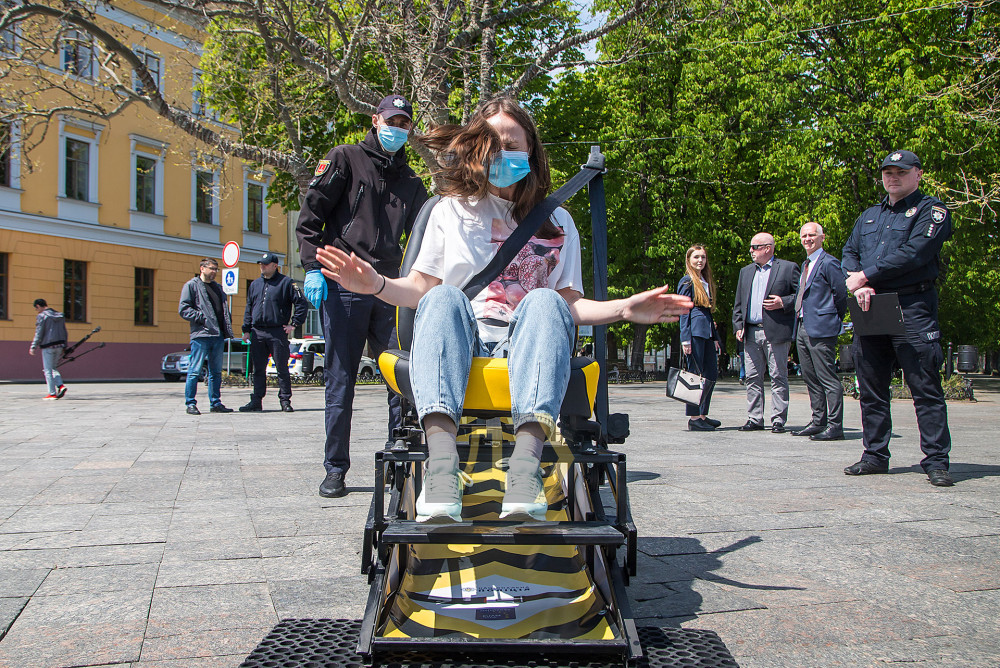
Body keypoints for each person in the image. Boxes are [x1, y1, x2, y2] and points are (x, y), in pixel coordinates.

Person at [315, 97, 692, 523]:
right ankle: (441, 471)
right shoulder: (449, 210)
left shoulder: (559, 222)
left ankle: (526, 472)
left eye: (512, 145)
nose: (502, 154)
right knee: (442, 297)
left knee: (546, 299)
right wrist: (377, 285)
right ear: (477, 148)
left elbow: (569, 304)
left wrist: (623, 309)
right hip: (462, 339)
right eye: (493, 145)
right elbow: (421, 288)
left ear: (531, 150)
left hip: (528, 343)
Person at [296, 94, 430, 498]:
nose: (397, 129)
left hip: (388, 288)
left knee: (400, 379)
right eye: (392, 121)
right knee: (340, 381)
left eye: (404, 123)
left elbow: (425, 238)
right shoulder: (345, 159)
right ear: (376, 120)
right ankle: (335, 467)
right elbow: (311, 217)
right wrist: (313, 266)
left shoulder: (412, 183)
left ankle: (398, 460)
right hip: (345, 286)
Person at [841, 150, 954, 486]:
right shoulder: (869, 216)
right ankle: (875, 455)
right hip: (871, 306)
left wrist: (866, 276)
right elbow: (849, 252)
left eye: (901, 172)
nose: (893, 177)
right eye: (888, 172)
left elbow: (915, 254)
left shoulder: (932, 211)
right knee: (871, 387)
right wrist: (860, 283)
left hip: (912, 305)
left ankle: (936, 460)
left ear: (918, 174)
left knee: (924, 387)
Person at [732, 233, 801, 433]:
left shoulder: (788, 268)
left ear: (768, 248)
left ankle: (778, 419)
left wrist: (783, 302)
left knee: (778, 376)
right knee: (752, 377)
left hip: (776, 331)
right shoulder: (745, 272)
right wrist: (738, 325)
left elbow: (801, 295)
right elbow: (738, 303)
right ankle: (755, 418)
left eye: (754, 247)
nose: (751, 251)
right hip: (751, 332)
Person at [792, 222, 848, 440]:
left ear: (822, 237)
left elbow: (840, 294)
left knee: (827, 378)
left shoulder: (829, 263)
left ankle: (835, 425)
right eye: (804, 236)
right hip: (802, 326)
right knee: (810, 377)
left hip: (821, 328)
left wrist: (831, 318)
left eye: (812, 235)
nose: (807, 239)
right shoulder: (806, 264)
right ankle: (818, 421)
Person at [239, 252, 309, 412]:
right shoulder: (255, 284)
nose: (262, 267)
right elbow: (249, 307)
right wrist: (246, 330)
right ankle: (256, 400)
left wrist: (294, 324)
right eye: (261, 264)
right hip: (257, 332)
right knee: (258, 369)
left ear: (275, 266)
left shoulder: (286, 283)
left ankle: (285, 400)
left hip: (277, 332)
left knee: (281, 368)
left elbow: (301, 303)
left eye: (265, 264)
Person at [178, 258, 235, 415]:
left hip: (218, 335)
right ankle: (190, 403)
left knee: (215, 372)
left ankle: (215, 403)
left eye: (216, 269)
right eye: (212, 268)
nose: (214, 272)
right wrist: (201, 317)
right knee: (195, 370)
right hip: (201, 335)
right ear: (202, 268)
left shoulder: (218, 288)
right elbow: (183, 309)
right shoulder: (191, 285)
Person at [677, 245, 721, 431]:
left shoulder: (704, 280)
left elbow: (708, 312)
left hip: (707, 332)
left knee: (711, 374)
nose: (700, 260)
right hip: (694, 332)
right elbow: (683, 310)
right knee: (694, 376)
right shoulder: (687, 281)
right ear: (689, 260)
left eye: (703, 257)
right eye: (696, 257)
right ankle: (694, 418)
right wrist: (685, 338)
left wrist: (715, 337)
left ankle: (702, 414)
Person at [28, 298, 68, 400]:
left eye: (36, 308)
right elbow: (64, 331)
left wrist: (33, 346)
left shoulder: (42, 316)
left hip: (48, 346)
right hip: (60, 345)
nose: (37, 311)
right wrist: (65, 345)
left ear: (38, 306)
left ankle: (52, 393)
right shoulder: (60, 315)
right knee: (53, 368)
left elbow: (39, 332)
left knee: (48, 370)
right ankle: (61, 386)